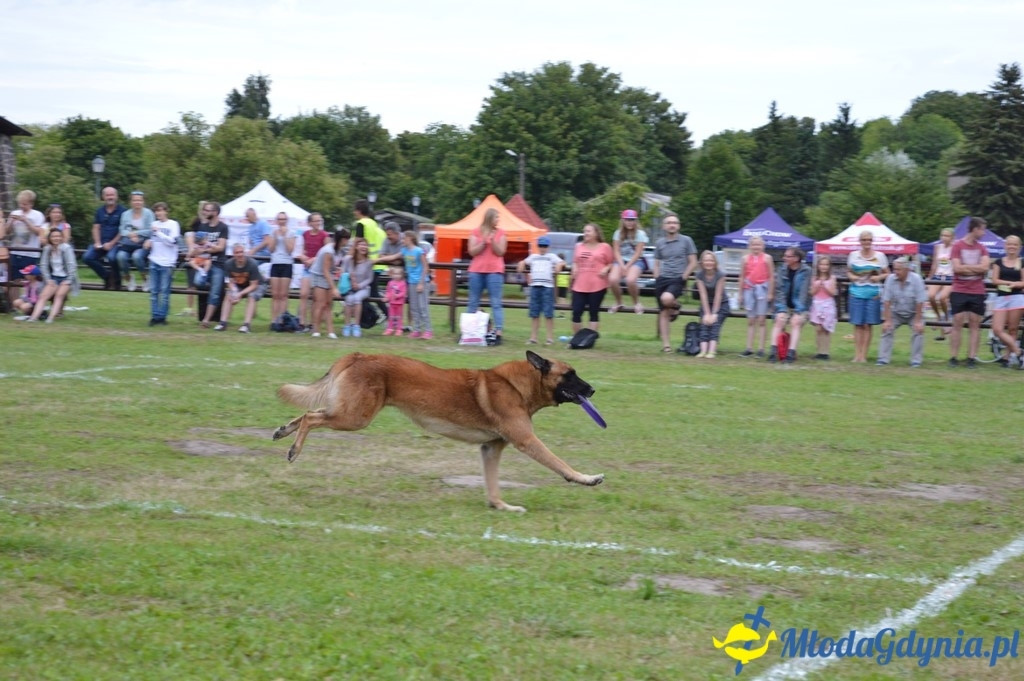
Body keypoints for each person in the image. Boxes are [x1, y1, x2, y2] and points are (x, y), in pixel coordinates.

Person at [948, 217, 991, 368]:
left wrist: (966, 267)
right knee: (957, 322)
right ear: (975, 229)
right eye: (982, 229)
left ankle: (971, 358)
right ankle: (953, 357)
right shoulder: (957, 246)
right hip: (959, 289)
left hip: (977, 291)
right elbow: (956, 268)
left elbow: (985, 267)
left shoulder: (982, 248)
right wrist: (975, 268)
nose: (984, 233)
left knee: (975, 324)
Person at [652, 213, 698, 353]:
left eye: (675, 222)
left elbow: (693, 262)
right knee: (664, 312)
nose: (672, 225)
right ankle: (666, 346)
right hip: (662, 279)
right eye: (669, 222)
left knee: (666, 299)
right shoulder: (659, 242)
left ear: (678, 226)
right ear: (664, 226)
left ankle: (675, 305)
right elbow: (656, 262)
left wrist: (683, 277)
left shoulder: (686, 240)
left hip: (678, 279)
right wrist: (657, 276)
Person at [876, 256, 928, 367]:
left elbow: (920, 301)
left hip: (914, 312)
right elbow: (886, 301)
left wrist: (918, 321)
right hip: (896, 312)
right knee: (887, 329)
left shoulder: (917, 279)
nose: (895, 272)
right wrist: (887, 320)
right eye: (894, 269)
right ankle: (883, 359)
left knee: (918, 330)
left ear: (907, 270)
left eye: (898, 269)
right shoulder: (890, 279)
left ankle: (916, 360)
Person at [467, 207, 508, 344]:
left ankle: (498, 332)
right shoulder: (476, 232)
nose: (498, 220)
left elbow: (501, 252)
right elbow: (472, 251)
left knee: (496, 302)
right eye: (496, 217)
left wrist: (493, 242)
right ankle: (469, 331)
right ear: (490, 218)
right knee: (473, 301)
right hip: (476, 270)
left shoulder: (501, 233)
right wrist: (483, 243)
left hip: (494, 271)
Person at [847, 230, 889, 363]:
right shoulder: (853, 255)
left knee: (867, 325)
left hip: (873, 294)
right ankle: (857, 354)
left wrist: (879, 277)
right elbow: (849, 271)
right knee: (857, 324)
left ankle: (864, 355)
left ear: (872, 241)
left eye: (869, 240)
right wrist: (852, 277)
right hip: (856, 292)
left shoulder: (880, 256)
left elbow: (888, 273)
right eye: (864, 240)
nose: (867, 242)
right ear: (860, 242)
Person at [22, 228, 78, 323]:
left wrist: (68, 280)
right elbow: (43, 265)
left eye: (58, 236)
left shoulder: (66, 248)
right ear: (50, 238)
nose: (56, 238)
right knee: (43, 296)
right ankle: (33, 318)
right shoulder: (47, 249)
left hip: (66, 277)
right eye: (53, 236)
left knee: (59, 295)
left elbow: (72, 265)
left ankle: (50, 318)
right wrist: (48, 279)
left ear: (61, 237)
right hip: (53, 277)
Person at [768, 247, 812, 363]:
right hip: (784, 304)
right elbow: (779, 290)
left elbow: (804, 292)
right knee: (779, 319)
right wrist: (782, 309)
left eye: (788, 256)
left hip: (800, 305)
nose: (784, 258)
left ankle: (791, 353)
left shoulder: (806, 271)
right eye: (785, 256)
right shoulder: (782, 269)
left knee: (795, 322)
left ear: (796, 258)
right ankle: (773, 352)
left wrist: (798, 311)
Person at [517, 235, 564, 345]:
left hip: (547, 287)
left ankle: (550, 338)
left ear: (548, 247)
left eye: (545, 246)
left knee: (548, 314)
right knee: (534, 313)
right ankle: (533, 338)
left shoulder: (551, 256)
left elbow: (562, 262)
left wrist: (559, 266)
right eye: (541, 246)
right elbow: (524, 261)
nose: (543, 248)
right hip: (535, 286)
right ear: (538, 246)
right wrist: (521, 264)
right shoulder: (533, 256)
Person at [570, 223, 614, 336]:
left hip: (597, 284)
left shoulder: (605, 247)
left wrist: (606, 269)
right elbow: (575, 261)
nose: (586, 233)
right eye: (584, 231)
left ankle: (589, 339)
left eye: (588, 231)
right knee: (576, 312)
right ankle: (577, 338)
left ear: (596, 233)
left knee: (593, 312)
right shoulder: (579, 246)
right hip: (579, 284)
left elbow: (611, 263)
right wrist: (574, 268)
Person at [988, 234, 1024, 368]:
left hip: (1017, 298)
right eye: (1009, 244)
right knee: (997, 329)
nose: (1012, 247)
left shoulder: (1022, 262)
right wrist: (1010, 282)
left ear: (1019, 247)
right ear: (1005, 246)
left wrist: (1015, 285)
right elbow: (994, 280)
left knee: (1013, 329)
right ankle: (1018, 352)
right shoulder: (998, 262)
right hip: (1001, 297)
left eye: (1015, 244)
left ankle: (1007, 358)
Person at [215, 243, 265, 334]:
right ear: (234, 254)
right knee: (228, 295)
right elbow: (228, 281)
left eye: (241, 252)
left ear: (244, 252)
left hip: (257, 284)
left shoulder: (252, 264)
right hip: (240, 285)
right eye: (237, 252)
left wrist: (240, 294)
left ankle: (246, 325)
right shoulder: (228, 264)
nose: (240, 254)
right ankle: (223, 323)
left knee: (251, 296)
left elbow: (254, 285)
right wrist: (234, 292)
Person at [83, 187, 127, 290]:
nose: (110, 197)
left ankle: (117, 282)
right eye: (107, 195)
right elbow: (96, 227)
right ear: (103, 197)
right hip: (101, 242)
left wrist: (111, 244)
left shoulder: (123, 211)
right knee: (87, 257)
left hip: (116, 243)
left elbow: (123, 231)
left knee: (112, 258)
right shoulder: (99, 211)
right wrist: (97, 242)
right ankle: (106, 276)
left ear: (116, 196)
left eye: (112, 195)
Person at [607, 209, 649, 315]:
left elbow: (638, 253)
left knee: (630, 280)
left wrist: (627, 266)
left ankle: (636, 303)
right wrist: (622, 265)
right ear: (623, 221)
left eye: (632, 220)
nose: (630, 222)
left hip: (636, 261)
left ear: (636, 221)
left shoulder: (640, 234)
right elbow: (616, 251)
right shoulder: (617, 233)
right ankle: (619, 302)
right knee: (612, 279)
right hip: (621, 260)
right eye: (627, 220)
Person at [739, 235, 775, 357]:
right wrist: (740, 293)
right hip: (749, 289)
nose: (756, 247)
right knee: (750, 320)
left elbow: (771, 276)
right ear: (750, 246)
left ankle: (761, 348)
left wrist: (770, 292)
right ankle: (749, 347)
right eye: (754, 244)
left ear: (763, 246)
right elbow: (742, 276)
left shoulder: (767, 258)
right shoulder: (745, 259)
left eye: (758, 244)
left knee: (762, 320)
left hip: (762, 290)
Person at [147, 202, 181, 327]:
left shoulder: (173, 224)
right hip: (154, 260)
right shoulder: (153, 224)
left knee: (164, 292)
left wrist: (159, 232)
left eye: (161, 210)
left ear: (166, 211)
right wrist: (148, 242)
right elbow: (153, 239)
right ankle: (154, 316)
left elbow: (172, 242)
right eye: (156, 211)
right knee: (154, 292)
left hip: (167, 262)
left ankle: (162, 316)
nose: (158, 213)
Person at [307, 229, 346, 339]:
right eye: (346, 239)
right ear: (341, 239)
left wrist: (338, 269)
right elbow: (325, 270)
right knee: (320, 303)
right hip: (318, 275)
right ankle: (316, 330)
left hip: (329, 275)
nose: (347, 241)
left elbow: (332, 267)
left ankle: (330, 331)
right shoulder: (328, 251)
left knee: (328, 304)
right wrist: (333, 288)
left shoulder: (340, 251)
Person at [355, 198, 388, 324]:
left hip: (367, 263)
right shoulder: (376, 227)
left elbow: (357, 243)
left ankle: (380, 314)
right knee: (372, 291)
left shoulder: (362, 224)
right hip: (377, 263)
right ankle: (379, 314)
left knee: (369, 292)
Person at [197, 201, 229, 329]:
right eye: (204, 210)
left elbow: (221, 248)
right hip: (203, 263)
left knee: (215, 292)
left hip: (218, 264)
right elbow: (198, 246)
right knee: (198, 282)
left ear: (215, 212)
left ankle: (206, 320)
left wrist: (206, 248)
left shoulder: (223, 227)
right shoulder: (202, 227)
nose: (205, 212)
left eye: (208, 210)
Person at [260, 212, 297, 323]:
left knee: (284, 295)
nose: (282, 221)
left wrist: (284, 236)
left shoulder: (292, 233)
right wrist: (276, 237)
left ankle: (282, 320)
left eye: (284, 219)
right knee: (275, 294)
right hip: (275, 263)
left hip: (287, 264)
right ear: (276, 221)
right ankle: (274, 320)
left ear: (287, 220)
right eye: (279, 219)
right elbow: (270, 250)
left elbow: (290, 250)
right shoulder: (273, 232)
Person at [295, 212, 329, 333]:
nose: (318, 223)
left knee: (316, 298)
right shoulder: (305, 234)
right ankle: (301, 323)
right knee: (303, 294)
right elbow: (302, 249)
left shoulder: (324, 235)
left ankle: (313, 323)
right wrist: (303, 257)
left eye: (319, 221)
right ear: (310, 223)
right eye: (315, 221)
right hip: (307, 267)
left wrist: (313, 259)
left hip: (318, 268)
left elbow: (327, 252)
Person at [115, 190, 155, 291]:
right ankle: (129, 279)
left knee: (136, 257)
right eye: (135, 200)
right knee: (120, 257)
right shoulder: (125, 214)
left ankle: (145, 279)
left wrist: (137, 233)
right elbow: (122, 230)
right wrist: (130, 234)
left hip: (143, 243)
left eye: (139, 200)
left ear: (143, 201)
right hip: (128, 243)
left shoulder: (148, 213)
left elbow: (151, 229)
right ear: (131, 202)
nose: (137, 202)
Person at [693, 250, 729, 358]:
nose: (709, 262)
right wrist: (707, 313)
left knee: (715, 323)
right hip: (706, 303)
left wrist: (714, 313)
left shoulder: (720, 275)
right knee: (704, 323)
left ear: (715, 262)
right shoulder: (699, 275)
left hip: (721, 304)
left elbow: (718, 295)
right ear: (702, 263)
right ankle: (703, 351)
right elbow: (703, 295)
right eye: (706, 260)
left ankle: (712, 351)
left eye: (711, 260)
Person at [2, 189, 46, 276]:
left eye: (24, 204)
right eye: (20, 203)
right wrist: (10, 222)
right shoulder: (15, 213)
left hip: (31, 253)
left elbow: (38, 232)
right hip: (15, 252)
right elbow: (7, 232)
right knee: (13, 280)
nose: (22, 206)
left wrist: (25, 221)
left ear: (31, 204)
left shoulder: (37, 215)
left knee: (30, 280)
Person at [401, 229, 432, 339]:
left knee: (423, 306)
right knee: (413, 306)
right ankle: (417, 329)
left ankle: (428, 330)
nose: (402, 240)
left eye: (404, 238)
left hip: (421, 282)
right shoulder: (404, 251)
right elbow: (395, 257)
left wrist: (421, 283)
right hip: (411, 282)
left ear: (410, 238)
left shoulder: (419, 251)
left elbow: (425, 267)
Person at [340, 237, 374, 337]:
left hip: (363, 288)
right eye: (361, 245)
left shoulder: (368, 262)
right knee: (349, 299)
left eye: (365, 245)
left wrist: (359, 286)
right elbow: (343, 273)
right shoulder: (348, 260)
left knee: (357, 298)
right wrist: (350, 280)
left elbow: (369, 279)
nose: (363, 247)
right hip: (349, 287)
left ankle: (356, 325)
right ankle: (347, 325)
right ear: (356, 247)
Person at [808, 255, 838, 360]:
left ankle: (825, 352)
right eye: (822, 264)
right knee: (818, 329)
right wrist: (816, 287)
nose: (824, 267)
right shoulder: (814, 278)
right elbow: (811, 292)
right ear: (818, 266)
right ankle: (819, 351)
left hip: (828, 305)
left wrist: (825, 286)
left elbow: (833, 292)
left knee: (826, 329)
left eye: (826, 264)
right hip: (817, 304)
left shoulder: (832, 278)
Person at [927, 227, 955, 341]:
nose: (944, 238)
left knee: (943, 298)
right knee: (931, 296)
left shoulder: (955, 248)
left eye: (947, 236)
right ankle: (939, 317)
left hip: (950, 277)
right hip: (938, 275)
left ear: (952, 238)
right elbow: (934, 264)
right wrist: (929, 278)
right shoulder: (938, 247)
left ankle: (947, 319)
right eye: (943, 235)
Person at [382, 266, 408, 336]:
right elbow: (388, 291)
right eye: (395, 274)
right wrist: (386, 297)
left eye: (398, 274)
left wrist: (397, 296)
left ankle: (399, 329)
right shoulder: (390, 283)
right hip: (391, 303)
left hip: (399, 303)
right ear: (392, 274)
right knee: (391, 316)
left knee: (399, 317)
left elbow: (403, 292)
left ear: (402, 275)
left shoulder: (403, 283)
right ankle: (389, 329)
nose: (396, 276)